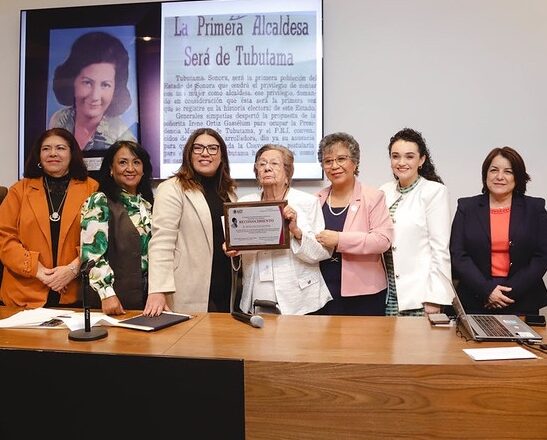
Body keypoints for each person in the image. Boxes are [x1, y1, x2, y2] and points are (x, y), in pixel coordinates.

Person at [227, 144, 332, 315]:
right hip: (256, 293)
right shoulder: (244, 203)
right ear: (257, 173)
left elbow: (321, 253)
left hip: (299, 297)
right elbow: (239, 249)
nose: (267, 167)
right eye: (262, 164)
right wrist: (233, 249)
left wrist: (296, 231)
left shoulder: (307, 202)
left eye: (274, 163)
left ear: (288, 173)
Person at [0, 127, 98, 308]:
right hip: (24, 294)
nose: (53, 153)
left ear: (72, 154)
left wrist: (72, 270)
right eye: (46, 149)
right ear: (39, 155)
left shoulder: (91, 189)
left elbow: (99, 239)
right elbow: (4, 237)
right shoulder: (19, 190)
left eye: (60, 148)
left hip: (75, 293)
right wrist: (36, 269)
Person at [145, 128, 237, 316]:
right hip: (188, 287)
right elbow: (161, 242)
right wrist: (157, 290)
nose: (205, 153)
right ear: (189, 153)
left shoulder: (229, 193)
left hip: (226, 286)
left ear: (222, 156)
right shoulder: (171, 189)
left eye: (213, 148)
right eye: (198, 148)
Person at [450, 146, 547, 315]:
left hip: (522, 298)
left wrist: (506, 293)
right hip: (475, 298)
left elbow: (542, 256)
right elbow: (458, 254)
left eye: (508, 171)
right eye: (494, 170)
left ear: (517, 177)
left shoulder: (535, 208)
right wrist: (487, 290)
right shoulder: (466, 207)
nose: (499, 177)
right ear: (485, 174)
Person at [314, 132, 393, 315]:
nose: (334, 166)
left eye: (341, 159)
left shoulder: (373, 197)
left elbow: (382, 241)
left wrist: (339, 239)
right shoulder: (316, 200)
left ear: (355, 162)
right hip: (323, 291)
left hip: (364, 294)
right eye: (328, 161)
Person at [379, 128, 453, 316]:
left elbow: (440, 248)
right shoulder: (384, 191)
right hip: (387, 294)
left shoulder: (434, 192)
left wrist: (435, 297)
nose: (401, 162)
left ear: (421, 160)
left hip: (420, 296)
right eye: (395, 156)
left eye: (409, 157)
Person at [80, 140, 154, 315]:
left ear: (143, 170)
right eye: (122, 162)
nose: (130, 168)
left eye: (136, 162)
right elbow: (92, 254)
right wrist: (107, 294)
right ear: (111, 169)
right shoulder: (99, 201)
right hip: (113, 299)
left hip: (147, 297)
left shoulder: (148, 204)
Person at [49, 31, 136, 151]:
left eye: (105, 85)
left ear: (116, 89)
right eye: (87, 82)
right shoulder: (60, 120)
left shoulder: (123, 139)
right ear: (73, 81)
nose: (95, 96)